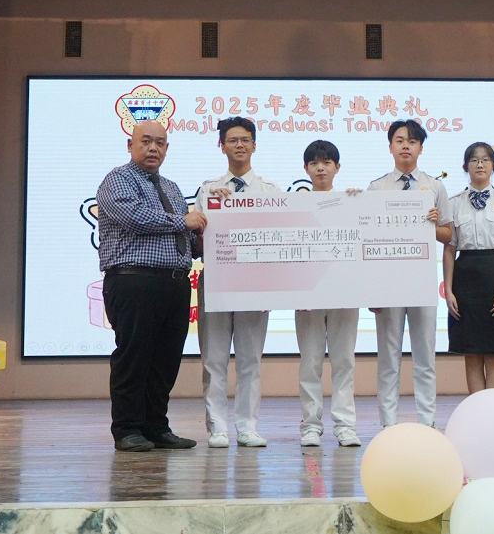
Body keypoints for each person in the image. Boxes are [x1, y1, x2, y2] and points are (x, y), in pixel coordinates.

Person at [96, 119, 206, 452]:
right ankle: (127, 429)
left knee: (165, 360)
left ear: (167, 149)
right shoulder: (117, 179)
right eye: (145, 141)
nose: (153, 148)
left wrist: (205, 238)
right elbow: (135, 218)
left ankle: (156, 427)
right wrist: (183, 221)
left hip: (175, 283)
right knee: (134, 356)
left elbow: (185, 238)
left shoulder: (171, 187)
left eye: (160, 143)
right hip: (134, 281)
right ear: (130, 145)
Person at [195, 117, 279, 449]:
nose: (239, 145)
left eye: (245, 139)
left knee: (250, 361)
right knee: (213, 359)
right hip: (216, 282)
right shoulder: (208, 190)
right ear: (222, 146)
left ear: (254, 145)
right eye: (232, 140)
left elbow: (278, 239)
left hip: (254, 285)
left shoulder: (270, 191)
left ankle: (247, 426)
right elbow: (197, 240)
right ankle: (217, 427)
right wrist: (217, 208)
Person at [367, 119, 453, 427]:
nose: (406, 146)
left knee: (425, 356)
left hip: (422, 282)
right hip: (388, 284)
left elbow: (448, 235)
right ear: (390, 146)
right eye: (400, 140)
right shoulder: (377, 188)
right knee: (388, 357)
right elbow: (367, 237)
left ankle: (427, 420)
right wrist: (372, 289)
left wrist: (432, 225)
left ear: (420, 148)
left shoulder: (435, 187)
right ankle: (388, 423)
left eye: (412, 141)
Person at [443, 142, 494, 393]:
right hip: (465, 279)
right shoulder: (453, 203)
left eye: (485, 160)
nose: (480, 164)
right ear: (465, 167)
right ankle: (476, 409)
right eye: (474, 160)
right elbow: (449, 249)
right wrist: (449, 291)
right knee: (471, 353)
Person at [296, 140, 362, 448]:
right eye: (314, 163)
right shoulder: (296, 204)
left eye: (326, 163)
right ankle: (310, 426)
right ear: (306, 168)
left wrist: (361, 203)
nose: (320, 168)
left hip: (345, 293)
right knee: (310, 362)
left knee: (344, 361)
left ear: (337, 167)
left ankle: (345, 425)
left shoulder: (352, 201)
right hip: (308, 295)